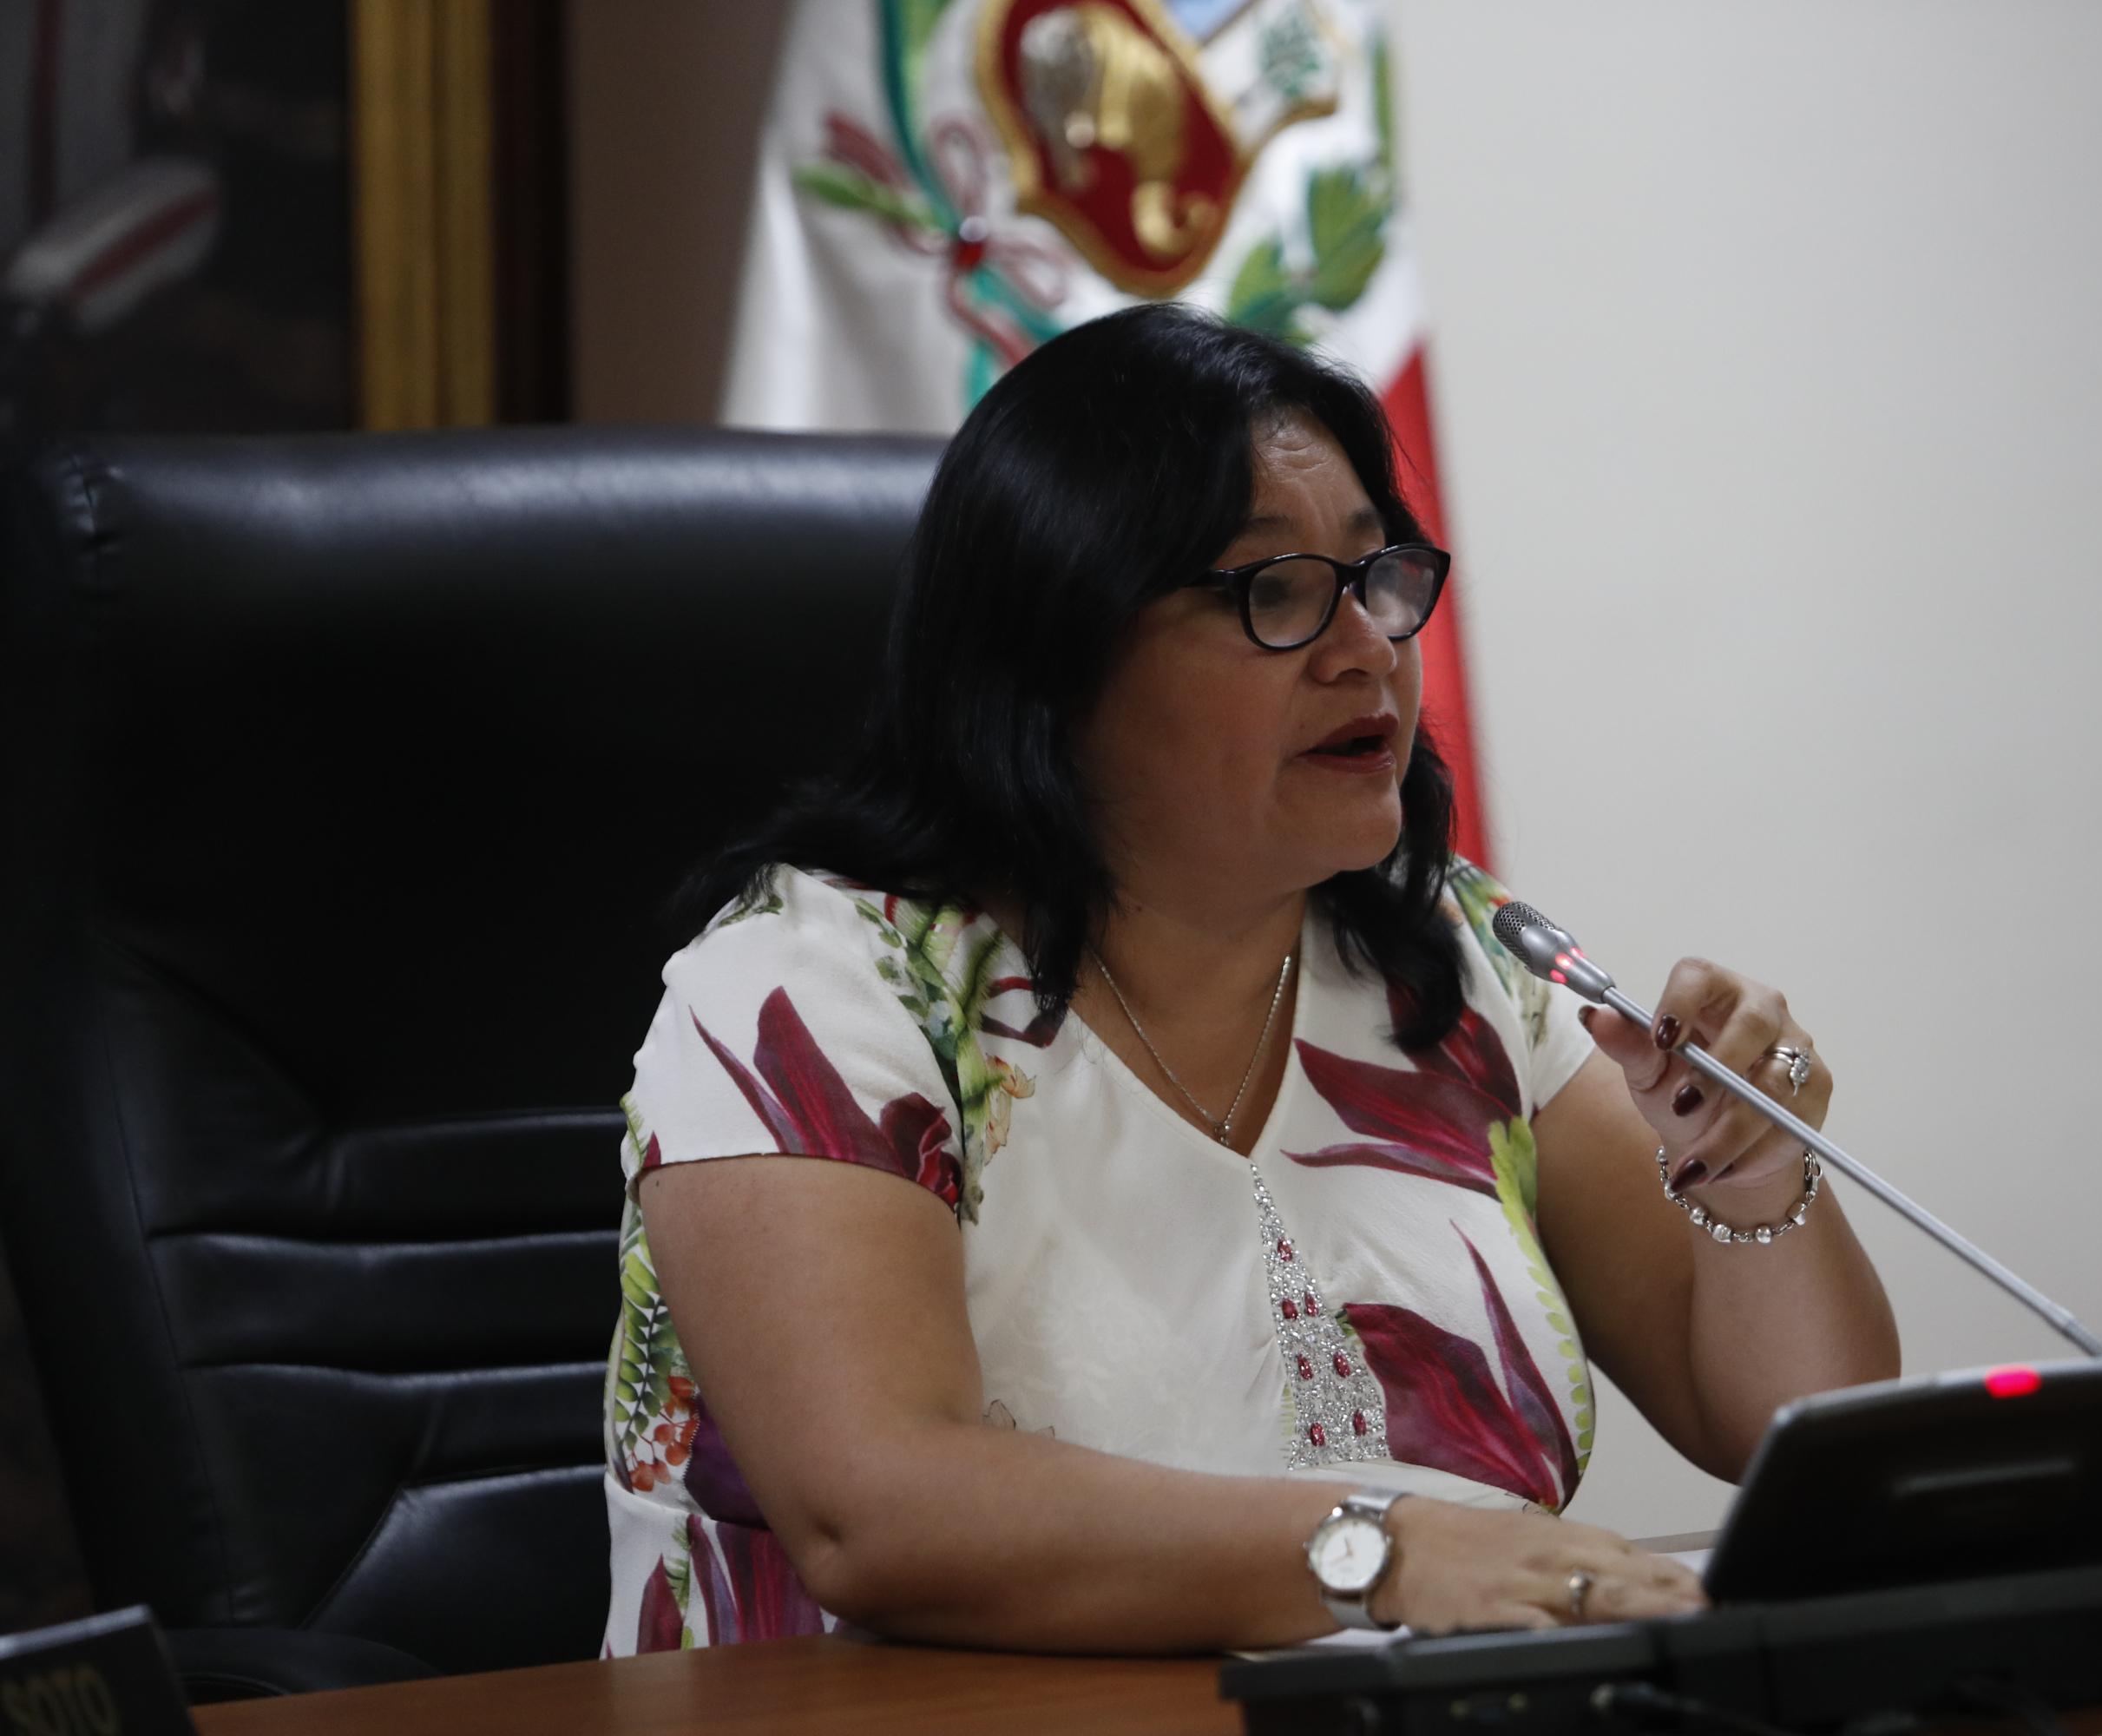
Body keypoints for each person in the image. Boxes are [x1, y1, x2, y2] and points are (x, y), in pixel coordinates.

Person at [601, 305, 1898, 1656]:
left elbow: (1776, 1425)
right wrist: (1386, 1552)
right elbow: (875, 1512)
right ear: (1062, 652)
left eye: (1375, 577)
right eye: (1273, 592)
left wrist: (1756, 1164)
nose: (1367, 651)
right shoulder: (814, 988)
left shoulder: (1451, 968)